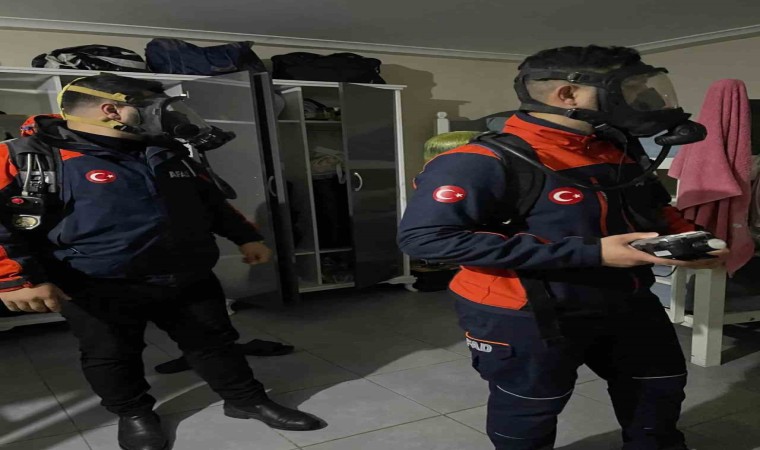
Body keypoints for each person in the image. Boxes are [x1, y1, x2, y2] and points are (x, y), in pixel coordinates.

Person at [398, 45, 728, 450]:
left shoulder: (614, 146)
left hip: (627, 298)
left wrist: (693, 240)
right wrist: (593, 253)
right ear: (567, 95)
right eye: (627, 89)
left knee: (658, 390)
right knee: (530, 410)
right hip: (525, 311)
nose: (641, 98)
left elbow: (653, 207)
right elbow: (426, 238)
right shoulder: (480, 160)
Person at [0, 74, 324, 450]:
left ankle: (245, 400)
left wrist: (246, 237)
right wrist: (14, 279)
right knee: (112, 355)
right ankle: (134, 414)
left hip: (188, 275)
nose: (164, 114)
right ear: (111, 109)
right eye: (149, 106)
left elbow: (211, 202)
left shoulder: (165, 150)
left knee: (215, 343)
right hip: (95, 284)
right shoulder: (28, 156)